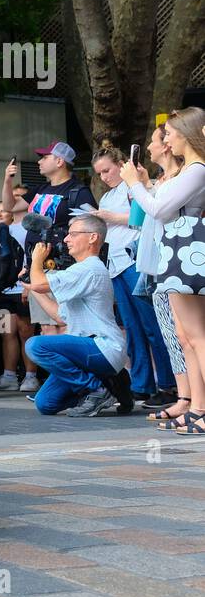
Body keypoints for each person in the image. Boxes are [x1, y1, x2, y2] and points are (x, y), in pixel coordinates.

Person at [123, 108, 205, 433]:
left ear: (186, 133)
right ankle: (197, 406)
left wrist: (133, 185)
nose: (166, 140)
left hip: (185, 252)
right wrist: (143, 185)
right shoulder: (192, 170)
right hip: (178, 252)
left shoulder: (197, 169)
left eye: (170, 133)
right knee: (186, 336)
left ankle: (199, 406)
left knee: (196, 335)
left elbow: (158, 209)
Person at [91, 145, 176, 407]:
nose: (104, 177)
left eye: (107, 170)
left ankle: (169, 384)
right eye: (99, 173)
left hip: (135, 261)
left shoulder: (134, 186)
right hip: (115, 263)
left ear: (120, 164)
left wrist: (111, 217)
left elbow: (145, 217)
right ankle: (142, 384)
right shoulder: (106, 197)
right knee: (132, 328)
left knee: (152, 324)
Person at [21, 215, 129, 416]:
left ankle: (95, 389)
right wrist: (34, 285)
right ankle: (112, 383)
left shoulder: (90, 268)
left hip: (102, 346)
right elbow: (61, 317)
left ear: (92, 238)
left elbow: (39, 282)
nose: (65, 240)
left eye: (73, 234)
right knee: (46, 404)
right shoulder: (79, 270)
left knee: (35, 345)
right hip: (85, 350)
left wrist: (36, 261)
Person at [4, 141, 97, 337]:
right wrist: (7, 180)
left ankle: (69, 365)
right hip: (37, 264)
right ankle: (55, 368)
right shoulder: (40, 189)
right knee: (45, 325)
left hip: (64, 266)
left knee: (65, 322)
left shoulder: (78, 191)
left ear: (60, 161)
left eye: (45, 157)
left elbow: (92, 225)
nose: (39, 161)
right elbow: (9, 207)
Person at [140, 124, 190, 425]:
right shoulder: (161, 180)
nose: (149, 147)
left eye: (156, 140)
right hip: (155, 263)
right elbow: (142, 220)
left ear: (167, 146)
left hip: (176, 263)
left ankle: (189, 398)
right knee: (172, 334)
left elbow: (159, 212)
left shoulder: (186, 178)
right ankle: (185, 396)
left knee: (184, 334)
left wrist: (136, 185)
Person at [0, 196, 39, 392]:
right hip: (3, 290)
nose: (0, 214)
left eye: (4, 210)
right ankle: (9, 375)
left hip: (23, 289)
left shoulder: (27, 230)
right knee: (6, 332)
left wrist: (29, 285)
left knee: (26, 332)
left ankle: (31, 376)